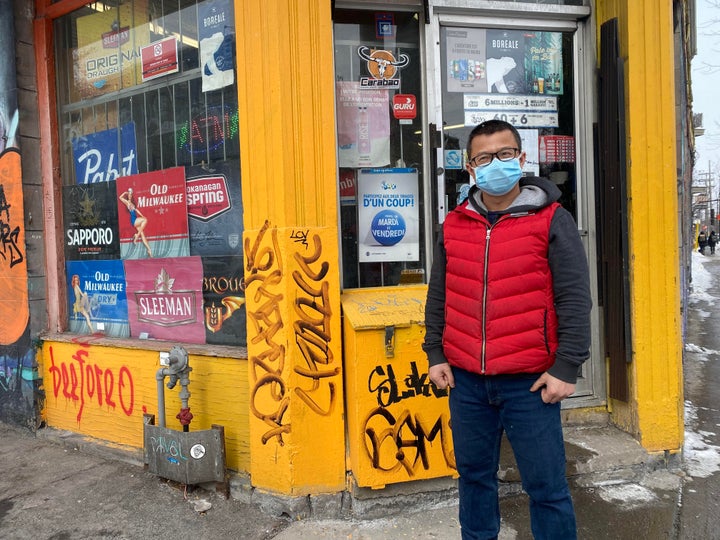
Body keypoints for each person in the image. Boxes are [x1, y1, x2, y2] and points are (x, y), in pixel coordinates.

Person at [423, 120, 592, 540]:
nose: (494, 163)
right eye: (483, 157)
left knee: (546, 488)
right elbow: (440, 295)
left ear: (520, 158)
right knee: (474, 480)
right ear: (470, 167)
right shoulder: (455, 225)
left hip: (530, 383)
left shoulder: (553, 219)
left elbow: (574, 297)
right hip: (467, 382)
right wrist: (435, 353)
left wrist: (567, 367)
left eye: (504, 154)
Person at [119, 187, 152, 257]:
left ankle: (149, 250)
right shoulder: (127, 202)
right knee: (145, 220)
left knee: (143, 235)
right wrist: (125, 193)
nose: (130, 196)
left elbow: (137, 211)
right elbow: (120, 197)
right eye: (129, 194)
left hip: (136, 220)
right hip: (133, 220)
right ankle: (136, 236)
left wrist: (142, 215)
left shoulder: (132, 204)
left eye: (131, 195)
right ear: (128, 195)